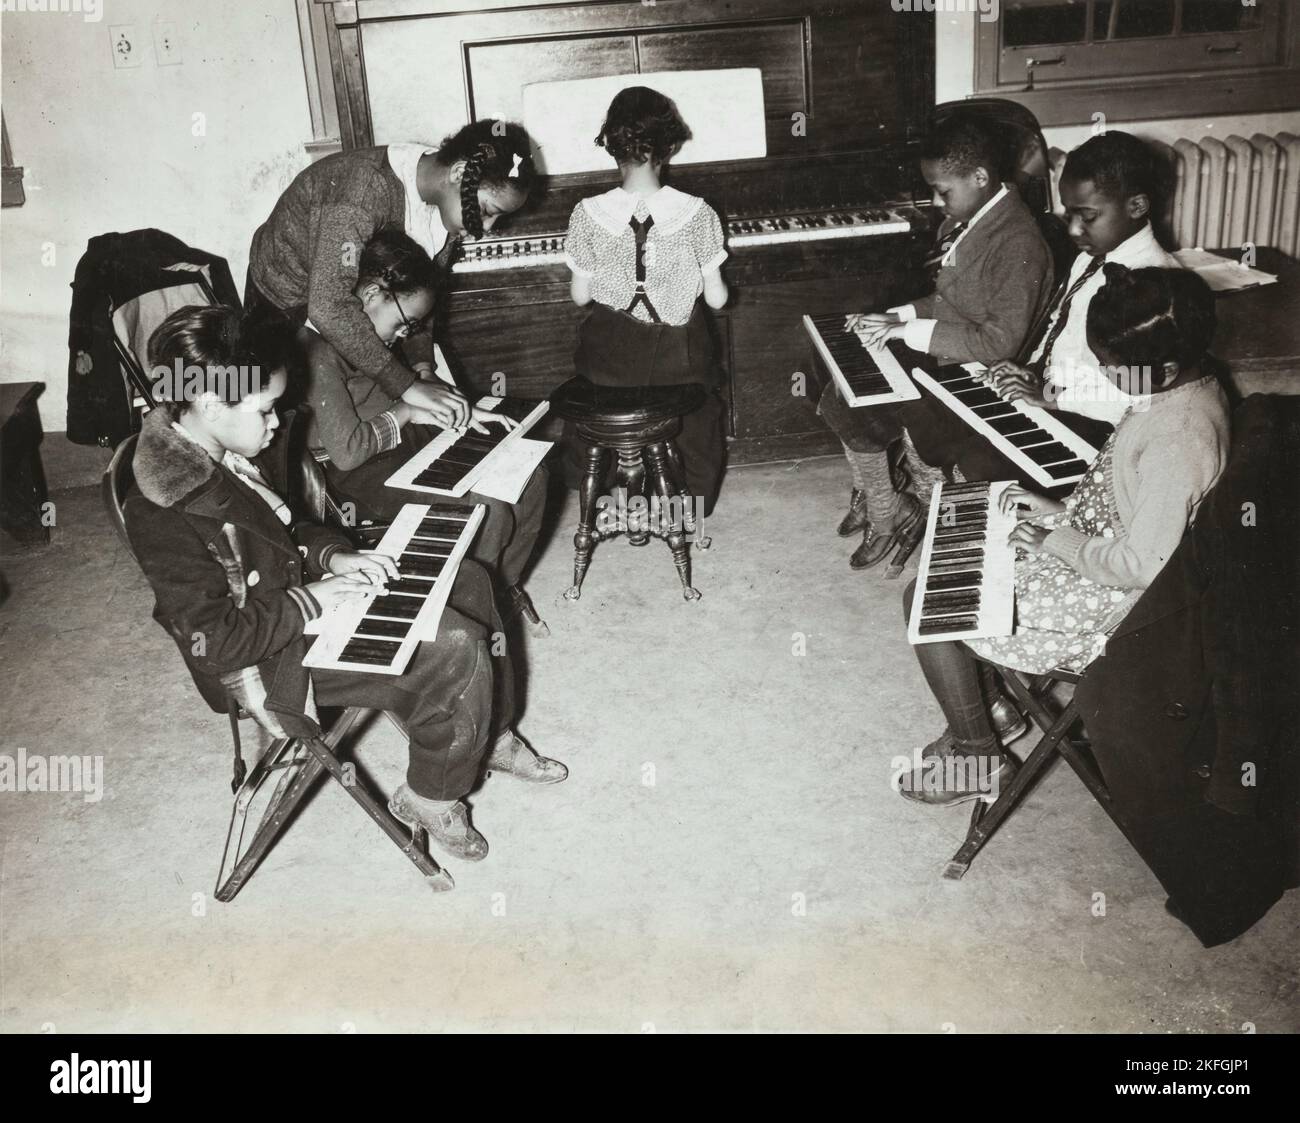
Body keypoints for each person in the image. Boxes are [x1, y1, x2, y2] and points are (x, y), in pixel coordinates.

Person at [124, 306, 565, 880]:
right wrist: (317, 598)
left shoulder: (219, 447)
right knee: (452, 644)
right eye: (265, 410)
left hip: (297, 602)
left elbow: (288, 528)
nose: (279, 422)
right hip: (269, 660)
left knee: (470, 578)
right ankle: (431, 794)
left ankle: (487, 734)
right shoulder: (164, 508)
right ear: (210, 405)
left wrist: (335, 556)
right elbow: (217, 644)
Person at [896, 266, 1229, 806]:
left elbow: (1142, 565)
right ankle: (995, 709)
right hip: (1097, 544)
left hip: (1117, 602)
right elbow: (1127, 500)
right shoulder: (1182, 389)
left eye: (1114, 368)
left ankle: (980, 754)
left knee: (930, 603)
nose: (1105, 374)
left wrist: (1055, 540)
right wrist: (1058, 510)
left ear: (1165, 369)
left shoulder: (1179, 438)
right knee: (957, 542)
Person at [823, 113, 1054, 569]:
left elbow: (998, 342)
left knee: (870, 389)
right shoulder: (973, 217)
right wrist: (898, 315)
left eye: (943, 190)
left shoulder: (1017, 241)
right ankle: (886, 503)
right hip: (949, 351)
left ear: (980, 177)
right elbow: (949, 299)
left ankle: (905, 509)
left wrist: (905, 331)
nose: (935, 200)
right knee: (838, 365)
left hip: (979, 370)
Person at [300, 227, 548, 605]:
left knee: (530, 475)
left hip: (398, 440)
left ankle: (502, 590)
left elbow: (402, 395)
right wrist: (408, 411)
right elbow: (347, 453)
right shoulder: (319, 350)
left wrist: (453, 408)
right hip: (350, 473)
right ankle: (475, 603)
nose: (403, 335)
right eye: (403, 323)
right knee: (485, 506)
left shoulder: (369, 334)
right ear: (370, 295)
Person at [246, 121, 539, 429]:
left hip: (348, 310)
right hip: (284, 308)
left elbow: (420, 298)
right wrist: (408, 386)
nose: (487, 229)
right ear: (458, 173)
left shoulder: (447, 210)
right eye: (487, 211)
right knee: (291, 424)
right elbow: (329, 305)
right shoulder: (362, 192)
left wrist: (423, 369)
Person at [951, 130, 1181, 484]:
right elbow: (1060, 324)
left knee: (979, 460)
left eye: (1087, 216)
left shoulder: (1154, 283)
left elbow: (1141, 392)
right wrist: (1029, 369)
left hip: (1101, 423)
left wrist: (1051, 396)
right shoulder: (1091, 257)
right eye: (1068, 213)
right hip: (1056, 390)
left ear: (1136, 206)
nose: (1073, 229)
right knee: (941, 412)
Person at [563, 86, 729, 514]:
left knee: (595, 367)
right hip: (681, 362)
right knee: (701, 405)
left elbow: (580, 296)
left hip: (610, 363)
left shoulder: (586, 212)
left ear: (612, 147)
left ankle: (611, 490)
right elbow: (716, 299)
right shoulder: (698, 211)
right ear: (668, 146)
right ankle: (686, 503)